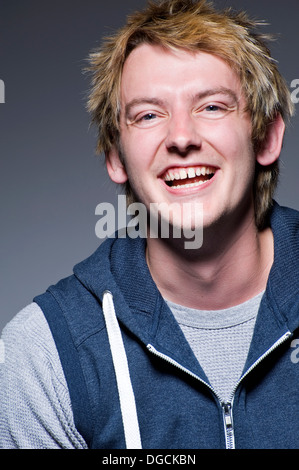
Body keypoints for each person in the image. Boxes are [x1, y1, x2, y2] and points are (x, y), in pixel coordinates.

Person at [0, 0, 298, 450]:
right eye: (148, 115)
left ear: (267, 137)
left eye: (212, 106)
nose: (181, 137)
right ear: (116, 159)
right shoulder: (44, 353)